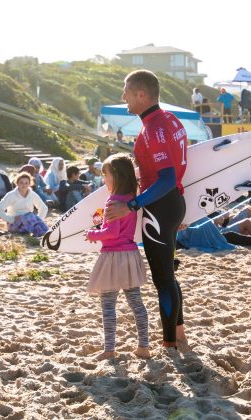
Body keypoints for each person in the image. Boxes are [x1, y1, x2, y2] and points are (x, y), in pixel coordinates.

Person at [105, 69, 189, 352]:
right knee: (168, 275)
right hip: (171, 203)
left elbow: (165, 177)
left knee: (162, 278)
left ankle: (169, 345)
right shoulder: (171, 120)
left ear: (141, 94)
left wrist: (131, 205)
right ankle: (179, 337)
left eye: (126, 91)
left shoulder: (154, 128)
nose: (123, 97)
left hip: (159, 208)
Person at [85, 153, 150, 360]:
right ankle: (143, 347)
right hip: (130, 255)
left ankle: (110, 349)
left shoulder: (112, 201)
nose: (104, 180)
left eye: (106, 175)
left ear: (117, 176)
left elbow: (111, 233)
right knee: (136, 303)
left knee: (108, 304)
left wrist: (92, 234)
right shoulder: (132, 198)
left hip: (113, 257)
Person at [0, 172, 49, 237]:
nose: (24, 185)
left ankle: (44, 233)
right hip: (14, 224)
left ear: (30, 184)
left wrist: (38, 219)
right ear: (17, 183)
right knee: (28, 216)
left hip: (30, 221)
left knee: (32, 217)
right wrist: (11, 219)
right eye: (21, 182)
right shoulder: (11, 195)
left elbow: (43, 208)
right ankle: (39, 233)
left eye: (26, 183)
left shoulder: (32, 194)